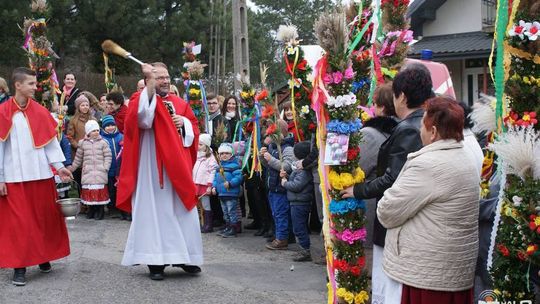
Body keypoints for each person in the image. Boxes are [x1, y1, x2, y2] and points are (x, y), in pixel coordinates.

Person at [341, 64, 434, 303]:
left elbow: (394, 178)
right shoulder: (420, 124)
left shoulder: (409, 129)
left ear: (402, 96)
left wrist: (358, 190)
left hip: (397, 217)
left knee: (389, 285)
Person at [376, 97, 480, 304]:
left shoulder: (428, 164)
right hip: (454, 267)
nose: (420, 132)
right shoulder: (466, 155)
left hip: (428, 271)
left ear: (433, 132)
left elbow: (387, 211)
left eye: (422, 126)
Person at [116, 62, 202, 280]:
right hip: (150, 169)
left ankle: (185, 257)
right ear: (148, 80)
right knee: (153, 211)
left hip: (176, 167)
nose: (164, 81)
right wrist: (150, 86)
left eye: (166, 77)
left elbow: (194, 128)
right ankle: (155, 261)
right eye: (158, 77)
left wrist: (182, 122)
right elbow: (143, 120)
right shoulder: (140, 99)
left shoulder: (179, 103)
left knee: (183, 208)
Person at [0, 67, 72, 286]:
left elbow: (50, 143)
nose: (35, 87)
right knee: (20, 224)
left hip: (41, 176)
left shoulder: (40, 111)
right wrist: (0, 177)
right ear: (18, 85)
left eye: (35, 83)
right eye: (30, 84)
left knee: (43, 220)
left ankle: (43, 256)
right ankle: (19, 266)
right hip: (14, 179)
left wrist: (59, 167)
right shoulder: (3, 113)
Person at [358, 83, 398, 249]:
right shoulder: (398, 129)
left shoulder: (369, 135)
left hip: (370, 202)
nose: (371, 108)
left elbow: (357, 169)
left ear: (381, 107)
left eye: (373, 104)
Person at [260, 119, 295, 250]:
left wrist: (271, 159)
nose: (269, 137)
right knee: (276, 213)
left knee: (281, 214)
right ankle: (283, 235)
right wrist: (263, 157)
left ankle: (282, 238)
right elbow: (267, 165)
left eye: (272, 134)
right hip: (273, 186)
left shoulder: (287, 148)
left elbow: (286, 166)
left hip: (280, 188)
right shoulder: (273, 147)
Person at [69, 120, 112, 220]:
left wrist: (105, 167)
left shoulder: (103, 143)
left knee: (99, 192)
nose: (96, 132)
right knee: (90, 191)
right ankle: (91, 210)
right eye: (93, 131)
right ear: (88, 132)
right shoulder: (83, 144)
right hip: (88, 172)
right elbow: (78, 158)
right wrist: (71, 169)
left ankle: (100, 211)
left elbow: (108, 156)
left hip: (100, 171)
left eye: (97, 130)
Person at [280, 141, 313, 261]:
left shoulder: (303, 170)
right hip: (296, 202)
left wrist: (285, 183)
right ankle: (303, 249)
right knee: (298, 226)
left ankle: (305, 250)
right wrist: (287, 177)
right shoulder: (298, 168)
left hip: (300, 203)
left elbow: (297, 185)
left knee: (299, 227)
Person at [212, 143, 243, 238]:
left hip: (231, 193)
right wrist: (214, 187)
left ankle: (233, 228)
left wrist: (230, 183)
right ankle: (228, 226)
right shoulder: (219, 167)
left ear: (231, 154)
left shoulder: (234, 166)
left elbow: (239, 177)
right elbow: (215, 179)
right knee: (225, 212)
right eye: (221, 154)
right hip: (222, 193)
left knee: (231, 211)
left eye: (226, 153)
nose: (224, 155)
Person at [100, 115, 125, 219]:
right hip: (108, 169)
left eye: (112, 125)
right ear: (103, 127)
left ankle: (120, 208)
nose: (110, 127)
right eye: (107, 126)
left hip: (119, 169)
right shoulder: (102, 139)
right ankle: (112, 208)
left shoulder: (121, 136)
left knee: (119, 189)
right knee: (110, 189)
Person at [192, 133, 217, 233]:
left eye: (201, 144)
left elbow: (212, 172)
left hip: (204, 184)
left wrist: (209, 185)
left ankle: (208, 225)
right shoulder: (196, 156)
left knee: (206, 204)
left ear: (206, 146)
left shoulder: (210, 158)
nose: (198, 146)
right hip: (195, 183)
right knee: (196, 204)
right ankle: (199, 223)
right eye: (197, 144)